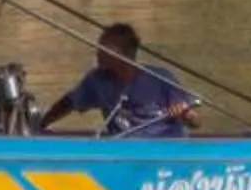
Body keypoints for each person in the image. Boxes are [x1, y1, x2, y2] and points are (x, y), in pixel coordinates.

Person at [42, 22, 202, 136]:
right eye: (99, 48)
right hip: (123, 149)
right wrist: (41, 124)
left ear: (124, 54)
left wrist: (185, 114)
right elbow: (69, 103)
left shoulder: (161, 78)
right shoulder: (97, 80)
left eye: (105, 49)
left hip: (162, 150)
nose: (98, 53)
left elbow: (195, 123)